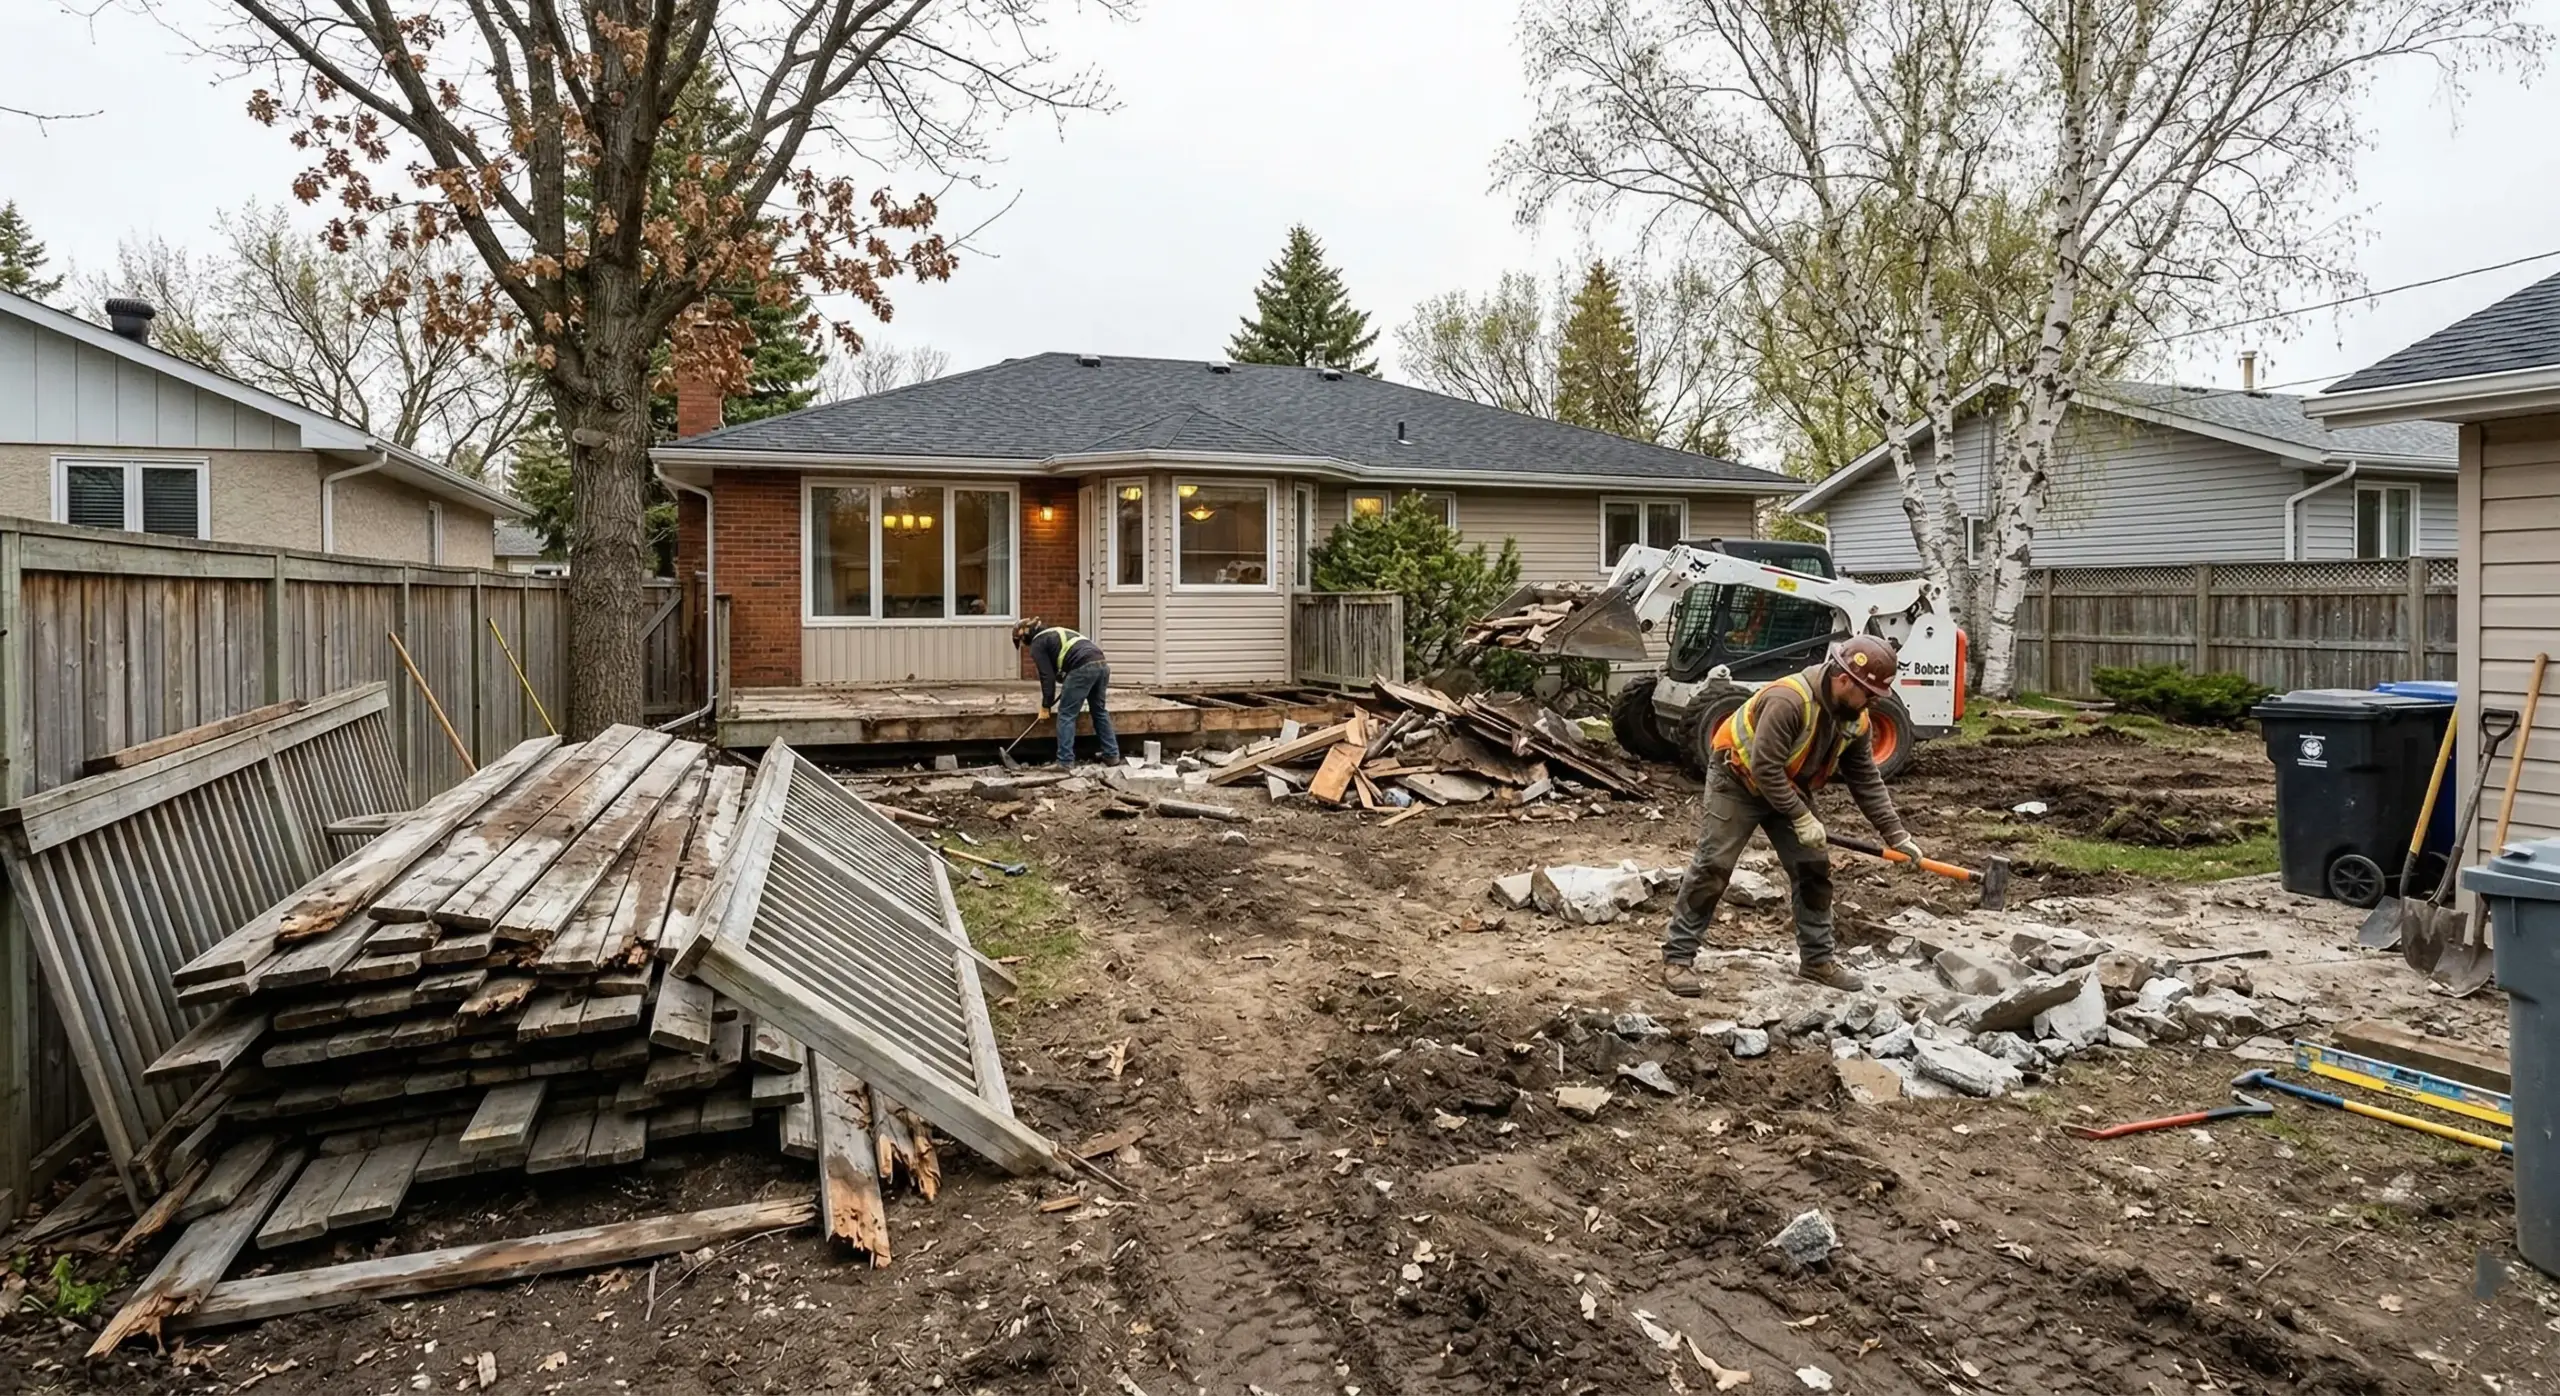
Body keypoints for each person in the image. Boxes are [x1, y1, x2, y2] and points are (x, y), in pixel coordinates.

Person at [1660, 635, 1924, 997]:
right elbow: (1765, 768)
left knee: (1813, 868)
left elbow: (1865, 779)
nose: (1874, 702)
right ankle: (1678, 957)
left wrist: (1897, 835)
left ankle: (1817, 961)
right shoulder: (1789, 700)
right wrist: (1801, 817)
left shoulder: (1855, 718)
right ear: (1844, 679)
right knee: (1714, 866)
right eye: (1869, 693)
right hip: (1737, 778)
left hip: (1787, 786)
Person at [1013, 617, 1120, 769]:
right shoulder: (1055, 633)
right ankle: (1111, 755)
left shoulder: (1038, 643)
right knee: (1099, 711)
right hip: (1101, 665)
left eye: (1023, 642)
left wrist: (1046, 705)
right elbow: (1060, 667)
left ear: (1025, 635)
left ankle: (1064, 761)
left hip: (1082, 668)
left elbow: (1047, 677)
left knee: (1066, 714)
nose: (1025, 646)